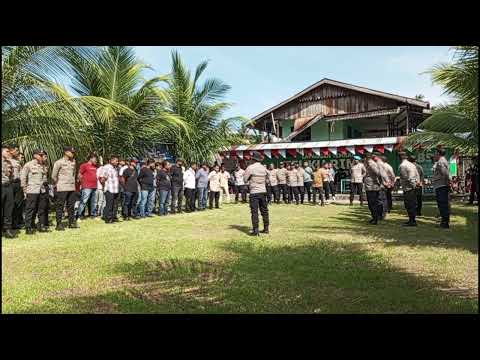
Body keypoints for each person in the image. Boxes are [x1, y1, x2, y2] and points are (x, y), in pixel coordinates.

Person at [21, 149, 50, 234]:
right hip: (32, 190)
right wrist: (25, 190)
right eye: (40, 155)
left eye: (42, 155)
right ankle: (28, 227)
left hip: (42, 190)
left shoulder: (44, 165)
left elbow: (45, 177)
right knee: (30, 209)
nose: (42, 157)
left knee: (42, 208)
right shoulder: (28, 165)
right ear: (35, 156)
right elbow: (23, 178)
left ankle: (41, 225)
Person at [52, 146, 78, 231]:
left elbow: (74, 173)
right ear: (66, 152)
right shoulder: (59, 162)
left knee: (71, 206)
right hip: (62, 187)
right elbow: (54, 176)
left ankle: (71, 223)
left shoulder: (74, 162)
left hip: (71, 187)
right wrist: (58, 183)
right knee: (60, 206)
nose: (73, 154)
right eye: (71, 152)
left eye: (73, 152)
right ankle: (59, 224)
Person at [244, 152, 269, 236]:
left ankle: (256, 230)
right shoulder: (264, 168)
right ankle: (266, 228)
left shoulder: (250, 168)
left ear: (253, 159)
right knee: (264, 210)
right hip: (263, 191)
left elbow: (245, 179)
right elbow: (268, 179)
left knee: (254, 212)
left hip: (254, 192)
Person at [398, 152, 420, 226]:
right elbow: (417, 174)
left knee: (409, 205)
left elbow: (406, 178)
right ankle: (412, 220)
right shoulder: (412, 164)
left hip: (408, 187)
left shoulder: (403, 166)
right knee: (413, 204)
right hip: (414, 186)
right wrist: (417, 183)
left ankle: (412, 221)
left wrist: (412, 185)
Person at [7, 144, 25, 230]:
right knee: (10, 204)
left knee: (18, 204)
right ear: (11, 150)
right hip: (10, 183)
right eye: (16, 150)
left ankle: (15, 222)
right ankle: (8, 225)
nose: (17, 152)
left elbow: (21, 173)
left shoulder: (17, 161)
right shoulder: (6, 161)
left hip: (18, 184)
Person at [76, 153, 98, 221]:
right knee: (84, 201)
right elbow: (79, 175)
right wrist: (81, 183)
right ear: (90, 158)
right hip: (86, 187)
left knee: (93, 202)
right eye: (95, 158)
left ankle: (93, 215)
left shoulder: (95, 167)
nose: (96, 160)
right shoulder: (84, 165)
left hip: (94, 186)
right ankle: (79, 215)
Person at [432, 148, 451, 229]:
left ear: (439, 154)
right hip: (442, 185)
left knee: (442, 205)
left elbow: (445, 174)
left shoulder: (441, 162)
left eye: (435, 153)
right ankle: (444, 221)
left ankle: (445, 223)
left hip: (441, 186)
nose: (434, 155)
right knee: (443, 204)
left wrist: (447, 184)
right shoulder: (443, 161)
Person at [364, 154, 384, 225]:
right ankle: (374, 218)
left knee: (372, 203)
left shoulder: (371, 164)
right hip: (371, 186)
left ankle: (375, 219)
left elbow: (378, 173)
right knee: (372, 203)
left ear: (366, 158)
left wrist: (380, 182)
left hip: (372, 187)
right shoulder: (370, 164)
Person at [99, 155, 120, 224]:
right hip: (109, 189)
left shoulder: (115, 168)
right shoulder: (106, 167)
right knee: (109, 205)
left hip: (115, 189)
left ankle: (113, 217)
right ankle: (108, 219)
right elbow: (102, 179)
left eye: (117, 161)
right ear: (111, 160)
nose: (117, 162)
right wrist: (104, 187)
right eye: (116, 161)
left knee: (115, 205)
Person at [2, 146, 16, 238]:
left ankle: (7, 229)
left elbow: (11, 175)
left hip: (8, 187)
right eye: (7, 151)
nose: (9, 153)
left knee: (9, 208)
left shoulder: (9, 163)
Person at [373, 154, 392, 219]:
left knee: (381, 200)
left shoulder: (379, 164)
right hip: (381, 184)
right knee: (382, 199)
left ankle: (381, 214)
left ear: (377, 157)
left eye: (374, 156)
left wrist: (387, 182)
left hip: (381, 185)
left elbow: (383, 174)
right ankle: (382, 213)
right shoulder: (379, 163)